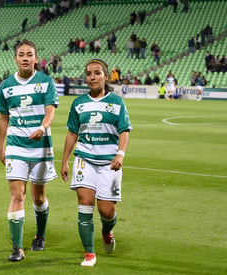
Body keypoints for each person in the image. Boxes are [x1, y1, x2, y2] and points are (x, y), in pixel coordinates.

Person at [61, 58, 131, 267]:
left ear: (105, 76)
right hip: (84, 159)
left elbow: (124, 131)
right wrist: (65, 161)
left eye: (97, 73)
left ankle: (107, 230)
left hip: (110, 162)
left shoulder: (116, 102)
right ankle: (89, 253)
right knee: (84, 204)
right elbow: (72, 133)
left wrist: (120, 154)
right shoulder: (78, 103)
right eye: (89, 73)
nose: (92, 77)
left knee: (106, 211)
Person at [0, 40, 59, 263]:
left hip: (40, 146)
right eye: (21, 54)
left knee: (38, 197)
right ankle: (17, 248)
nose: (25, 58)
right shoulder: (6, 86)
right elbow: (3, 117)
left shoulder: (46, 82)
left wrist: (42, 128)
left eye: (29, 54)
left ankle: (40, 235)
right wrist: (0, 146)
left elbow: (50, 110)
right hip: (16, 145)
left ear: (35, 58)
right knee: (17, 195)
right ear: (15, 58)